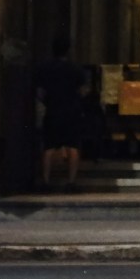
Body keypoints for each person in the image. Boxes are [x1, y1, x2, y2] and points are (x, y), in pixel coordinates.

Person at [35, 35, 87, 191]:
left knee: (49, 147)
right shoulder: (75, 69)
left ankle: (46, 181)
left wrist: (49, 101)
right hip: (72, 111)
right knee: (73, 146)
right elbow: (83, 91)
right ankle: (71, 182)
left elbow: (40, 92)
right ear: (68, 50)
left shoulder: (44, 68)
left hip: (53, 110)